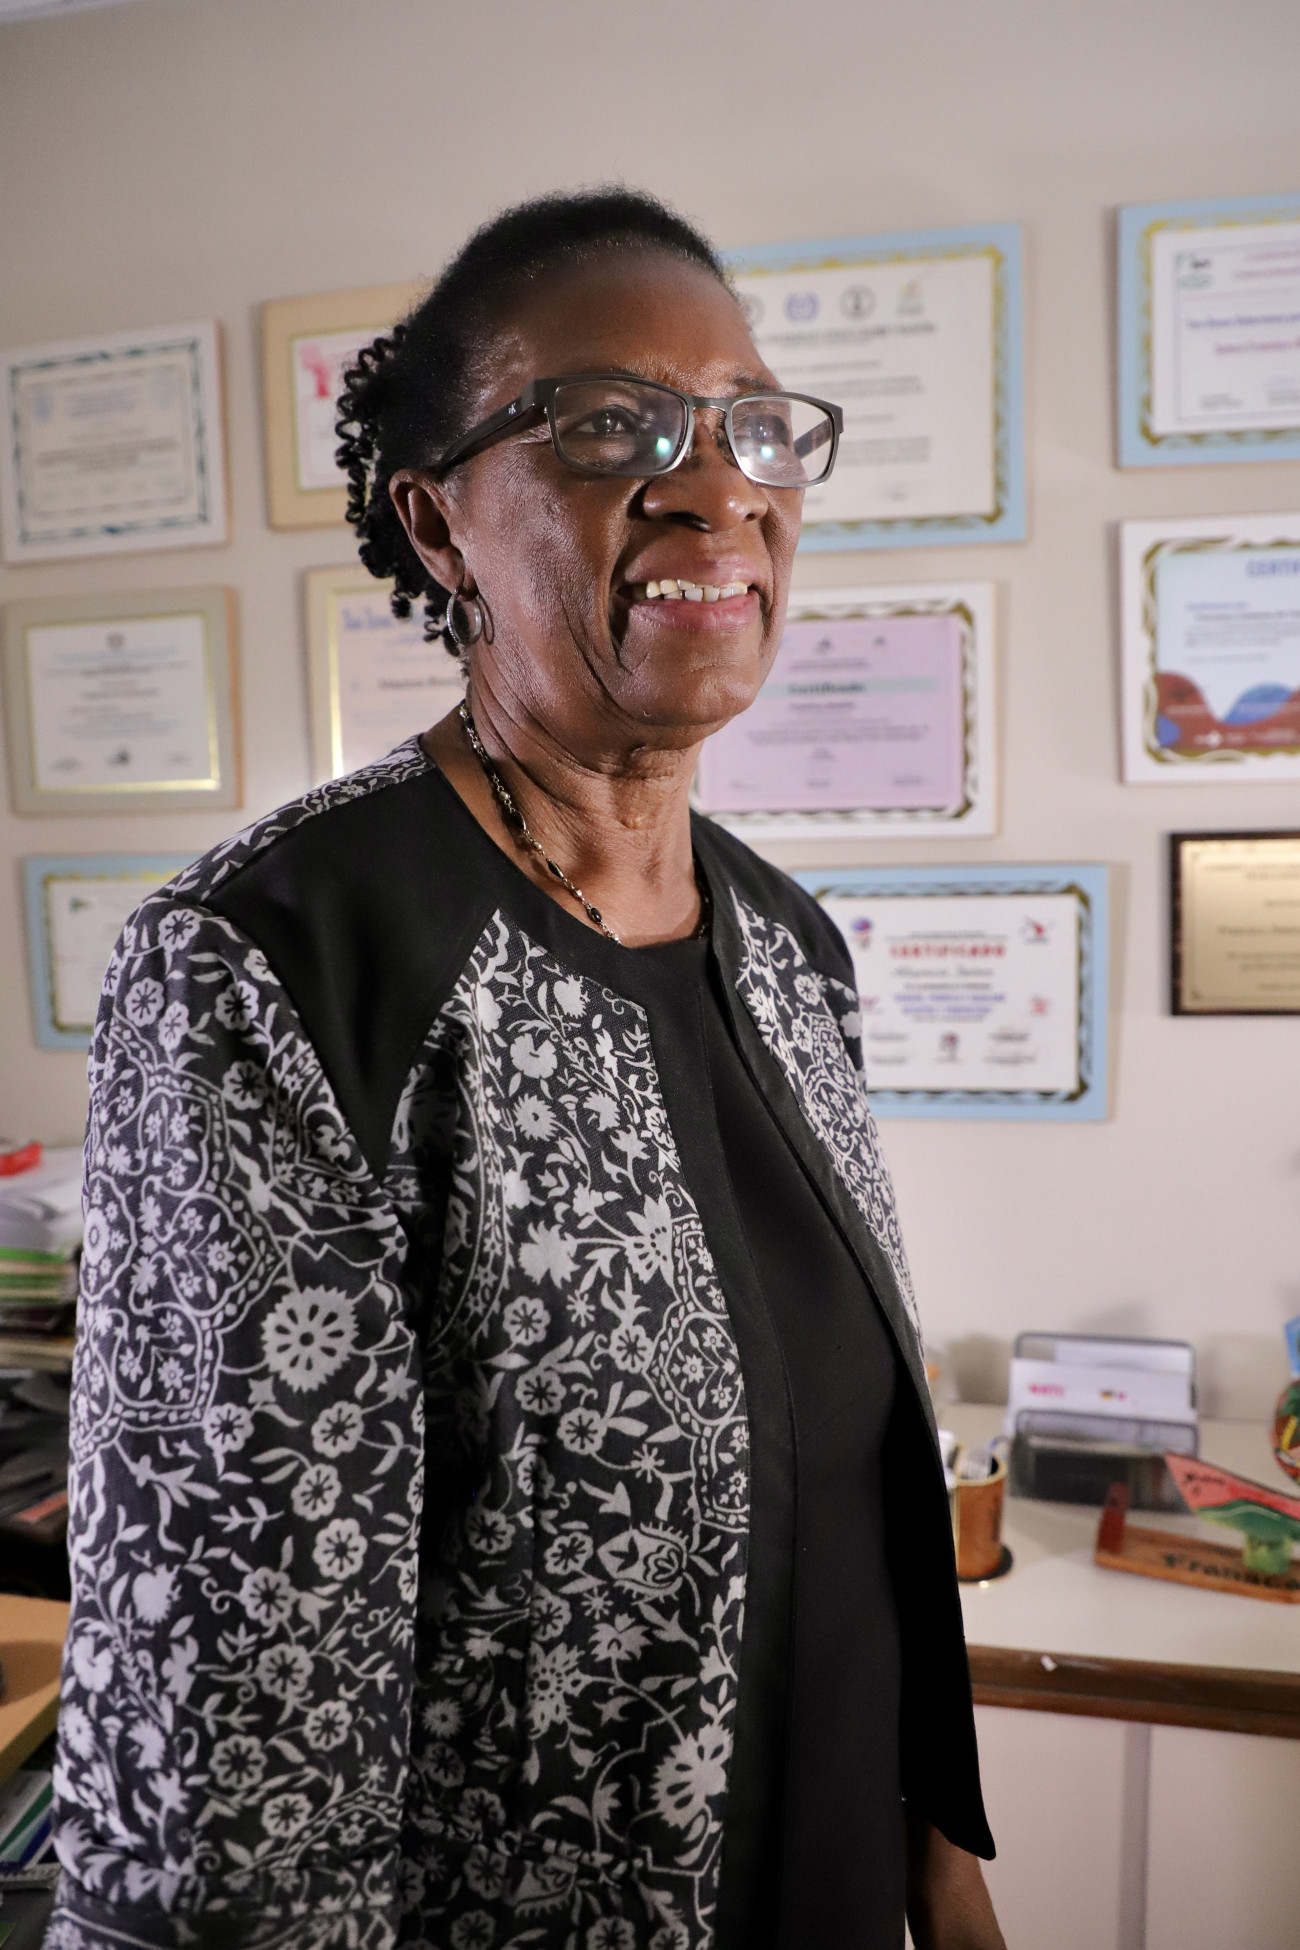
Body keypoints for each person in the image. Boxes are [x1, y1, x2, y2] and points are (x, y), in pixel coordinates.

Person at [49, 189, 1005, 1950]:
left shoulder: (790, 947)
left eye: (753, 426)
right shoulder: (280, 960)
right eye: (609, 425)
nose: (715, 484)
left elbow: (847, 1488)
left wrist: (942, 1868)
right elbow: (234, 1718)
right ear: (441, 524)